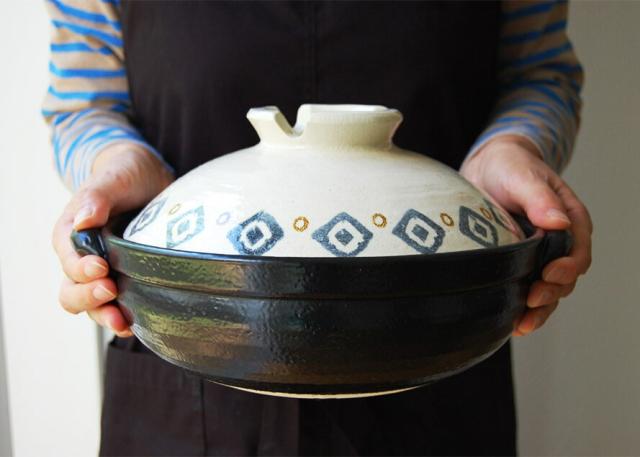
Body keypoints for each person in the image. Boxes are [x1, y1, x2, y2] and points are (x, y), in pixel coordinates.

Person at [44, 1, 592, 455]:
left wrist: (511, 148)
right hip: (189, 343)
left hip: (440, 342)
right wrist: (116, 165)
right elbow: (85, 104)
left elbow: (539, 74)